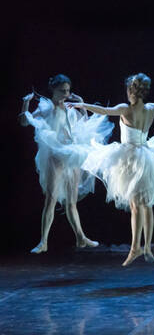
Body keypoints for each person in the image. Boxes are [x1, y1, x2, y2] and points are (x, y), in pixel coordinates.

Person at [68, 73, 154, 266]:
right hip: (147, 156)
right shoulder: (151, 108)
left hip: (130, 159)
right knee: (146, 205)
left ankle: (135, 248)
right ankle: (146, 246)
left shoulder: (125, 109)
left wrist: (83, 106)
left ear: (131, 91)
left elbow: (104, 110)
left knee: (135, 206)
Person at [20, 74, 113, 253]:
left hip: (72, 154)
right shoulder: (46, 108)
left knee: (71, 202)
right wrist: (25, 103)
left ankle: (80, 237)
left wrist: (82, 104)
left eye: (68, 91)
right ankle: (43, 242)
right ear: (53, 90)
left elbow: (85, 124)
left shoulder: (70, 108)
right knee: (51, 199)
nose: (66, 94)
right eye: (62, 91)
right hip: (55, 155)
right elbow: (25, 122)